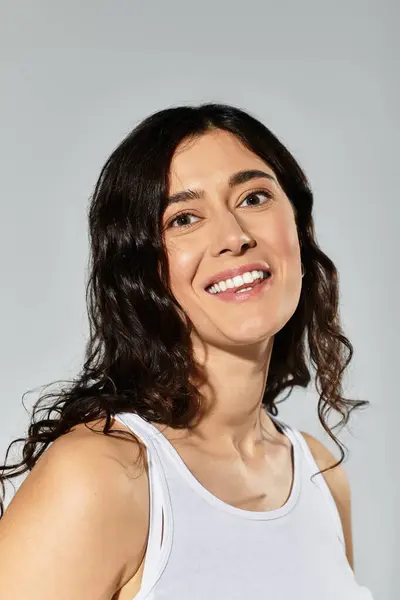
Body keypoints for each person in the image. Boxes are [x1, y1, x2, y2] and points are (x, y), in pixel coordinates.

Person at [0, 103, 374, 599]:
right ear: (141, 268)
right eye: (184, 218)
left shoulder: (321, 477)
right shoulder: (102, 477)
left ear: (299, 228)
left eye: (254, 197)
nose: (235, 238)